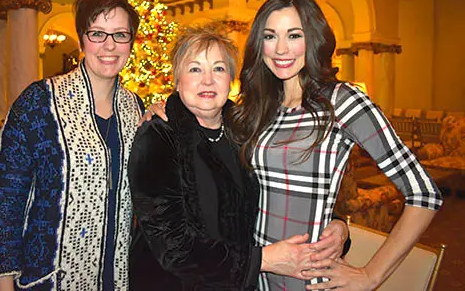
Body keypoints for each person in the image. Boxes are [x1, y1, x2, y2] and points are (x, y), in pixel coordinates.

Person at [225, 0, 443, 290]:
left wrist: (371, 275)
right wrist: (166, 110)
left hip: (310, 280)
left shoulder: (342, 100)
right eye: (270, 36)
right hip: (258, 275)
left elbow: (424, 193)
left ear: (313, 39)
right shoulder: (259, 107)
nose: (280, 49)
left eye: (294, 35)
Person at [128, 25, 349, 290]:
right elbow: (173, 247)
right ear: (177, 80)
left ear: (231, 79)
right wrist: (262, 260)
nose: (208, 80)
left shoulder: (248, 132)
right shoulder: (159, 136)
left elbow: (284, 191)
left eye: (219, 69)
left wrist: (337, 224)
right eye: (195, 69)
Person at [0, 0, 144, 291]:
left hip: (117, 275)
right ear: (82, 38)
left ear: (131, 42)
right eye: (97, 33)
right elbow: (7, 200)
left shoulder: (134, 108)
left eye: (120, 35)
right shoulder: (38, 103)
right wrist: (2, 281)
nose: (109, 45)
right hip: (49, 277)